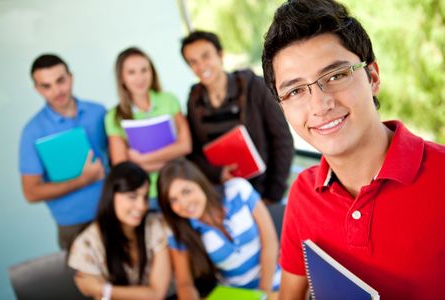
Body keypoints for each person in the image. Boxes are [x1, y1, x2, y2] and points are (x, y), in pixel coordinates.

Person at [261, 0, 445, 299]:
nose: (320, 105)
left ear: (372, 76)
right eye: (295, 91)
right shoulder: (303, 194)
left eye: (335, 76)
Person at [181, 30, 294, 205]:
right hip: (223, 194)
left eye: (206, 56)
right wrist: (217, 174)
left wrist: (273, 194)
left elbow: (282, 140)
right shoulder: (194, 99)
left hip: (262, 192)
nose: (201, 66)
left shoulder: (254, 86)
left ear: (220, 55)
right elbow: (194, 151)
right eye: (193, 62)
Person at [157, 158, 281, 299]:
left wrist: (262, 293)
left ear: (200, 183)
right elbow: (184, 283)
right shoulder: (179, 230)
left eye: (186, 192)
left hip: (275, 282)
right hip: (233, 295)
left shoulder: (238, 190)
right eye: (173, 200)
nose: (183, 204)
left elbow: (270, 242)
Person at [19, 54, 108, 250]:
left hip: (114, 212)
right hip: (74, 226)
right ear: (37, 89)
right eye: (46, 86)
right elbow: (31, 192)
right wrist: (84, 179)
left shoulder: (98, 112)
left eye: (60, 81)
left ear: (71, 77)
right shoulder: (32, 131)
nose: (57, 91)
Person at [68, 161, 172, 299]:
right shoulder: (86, 244)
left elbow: (157, 294)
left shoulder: (154, 224)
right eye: (132, 197)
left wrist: (103, 290)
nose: (141, 206)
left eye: (145, 197)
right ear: (111, 196)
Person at [105, 47, 191, 209]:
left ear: (152, 72)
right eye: (131, 72)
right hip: (146, 195)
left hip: (179, 185)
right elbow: (122, 167)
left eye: (144, 70)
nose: (140, 78)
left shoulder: (169, 100)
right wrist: (171, 159)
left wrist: (141, 160)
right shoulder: (114, 116)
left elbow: (186, 146)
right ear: (122, 78)